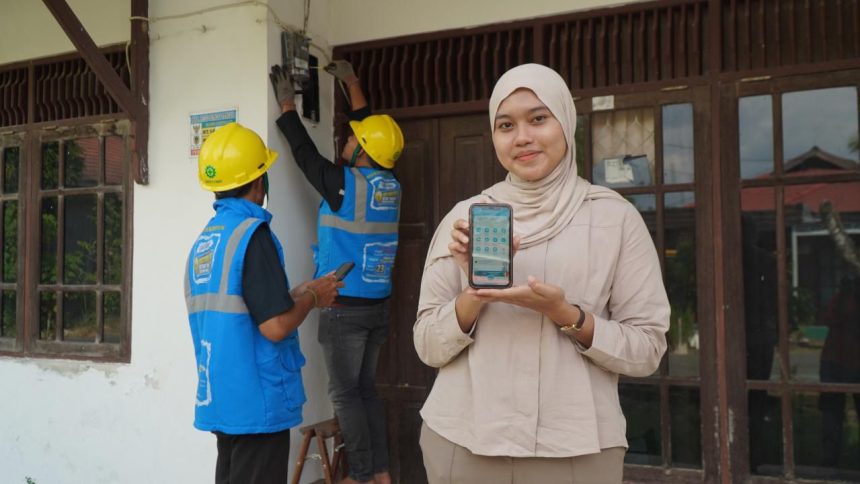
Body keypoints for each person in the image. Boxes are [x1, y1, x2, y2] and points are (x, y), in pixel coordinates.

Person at [414, 63, 670, 484]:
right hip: (464, 440)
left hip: (575, 448)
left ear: (565, 122)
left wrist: (568, 315)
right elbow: (426, 343)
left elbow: (647, 348)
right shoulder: (463, 221)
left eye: (538, 118)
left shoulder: (615, 219)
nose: (522, 138)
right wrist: (473, 295)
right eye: (505, 125)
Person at [269, 61, 404, 484]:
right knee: (366, 393)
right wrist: (352, 85)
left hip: (344, 309)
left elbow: (304, 154)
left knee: (346, 395)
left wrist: (287, 105)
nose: (346, 140)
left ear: (362, 153)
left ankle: (362, 477)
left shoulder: (344, 185)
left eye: (352, 141)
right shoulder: (389, 182)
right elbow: (372, 136)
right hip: (377, 306)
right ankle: (379, 473)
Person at [185, 122, 342, 484]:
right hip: (258, 402)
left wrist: (296, 294)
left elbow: (242, 309)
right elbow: (275, 326)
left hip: (225, 398)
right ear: (259, 182)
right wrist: (314, 298)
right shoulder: (253, 236)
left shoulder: (208, 240)